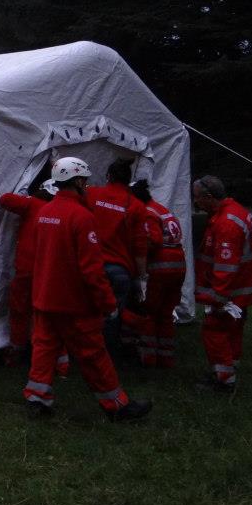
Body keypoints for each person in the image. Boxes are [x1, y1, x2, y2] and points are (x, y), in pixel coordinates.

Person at [23, 156, 151, 421]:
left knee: (44, 348)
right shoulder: (81, 217)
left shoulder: (44, 213)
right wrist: (107, 303)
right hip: (74, 303)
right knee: (94, 353)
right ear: (79, 181)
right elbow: (92, 269)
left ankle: (37, 399)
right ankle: (117, 406)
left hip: (45, 297)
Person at [192, 175, 252, 391]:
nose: (195, 202)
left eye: (197, 197)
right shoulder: (235, 212)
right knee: (234, 328)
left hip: (230, 290)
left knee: (214, 329)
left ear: (209, 197)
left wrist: (217, 296)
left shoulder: (227, 223)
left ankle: (224, 379)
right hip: (241, 288)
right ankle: (230, 365)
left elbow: (226, 265)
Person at [0, 179, 69, 376]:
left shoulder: (32, 205)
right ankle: (60, 362)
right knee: (50, 316)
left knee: (20, 311)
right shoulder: (66, 211)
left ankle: (16, 353)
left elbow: (4, 199)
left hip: (27, 271)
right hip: (52, 273)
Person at [85, 157, 150, 356]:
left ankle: (84, 353)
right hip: (120, 271)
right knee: (112, 316)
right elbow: (140, 247)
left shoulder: (92, 194)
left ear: (108, 176)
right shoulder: (137, 206)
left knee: (87, 311)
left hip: (92, 266)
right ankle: (106, 355)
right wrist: (141, 277)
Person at [125, 180, 187, 368]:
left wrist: (137, 257)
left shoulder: (146, 213)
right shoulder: (161, 209)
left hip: (160, 268)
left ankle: (149, 357)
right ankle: (166, 355)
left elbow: (153, 240)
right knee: (166, 313)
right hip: (178, 265)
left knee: (148, 312)